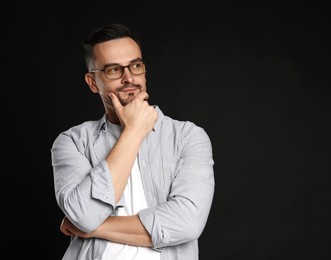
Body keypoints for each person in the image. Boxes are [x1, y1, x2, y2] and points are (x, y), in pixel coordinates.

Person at [51, 23, 215, 260]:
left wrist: (94, 228)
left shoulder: (188, 137)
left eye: (136, 66)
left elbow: (187, 223)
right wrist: (133, 132)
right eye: (114, 70)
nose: (129, 78)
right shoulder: (72, 142)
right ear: (93, 82)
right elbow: (84, 215)